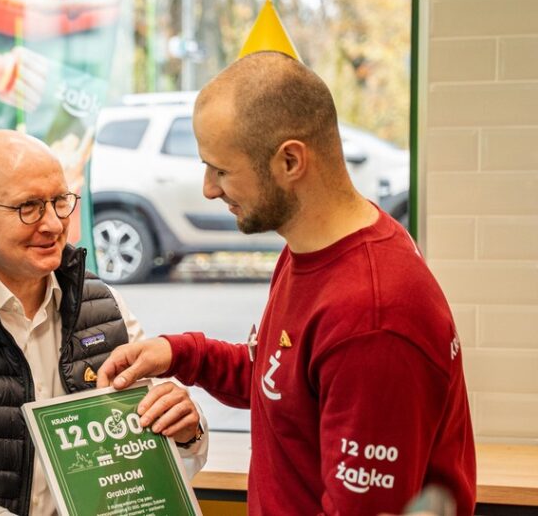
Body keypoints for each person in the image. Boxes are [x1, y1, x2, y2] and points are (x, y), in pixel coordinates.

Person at [97, 51, 476, 515]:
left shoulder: (373, 316)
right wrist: (181, 354)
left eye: (220, 169)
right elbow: (281, 383)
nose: (208, 189)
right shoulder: (310, 250)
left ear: (290, 161)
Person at [0, 130, 207, 516]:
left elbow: (154, 460)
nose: (53, 224)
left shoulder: (103, 305)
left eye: (60, 201)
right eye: (28, 207)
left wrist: (186, 435)